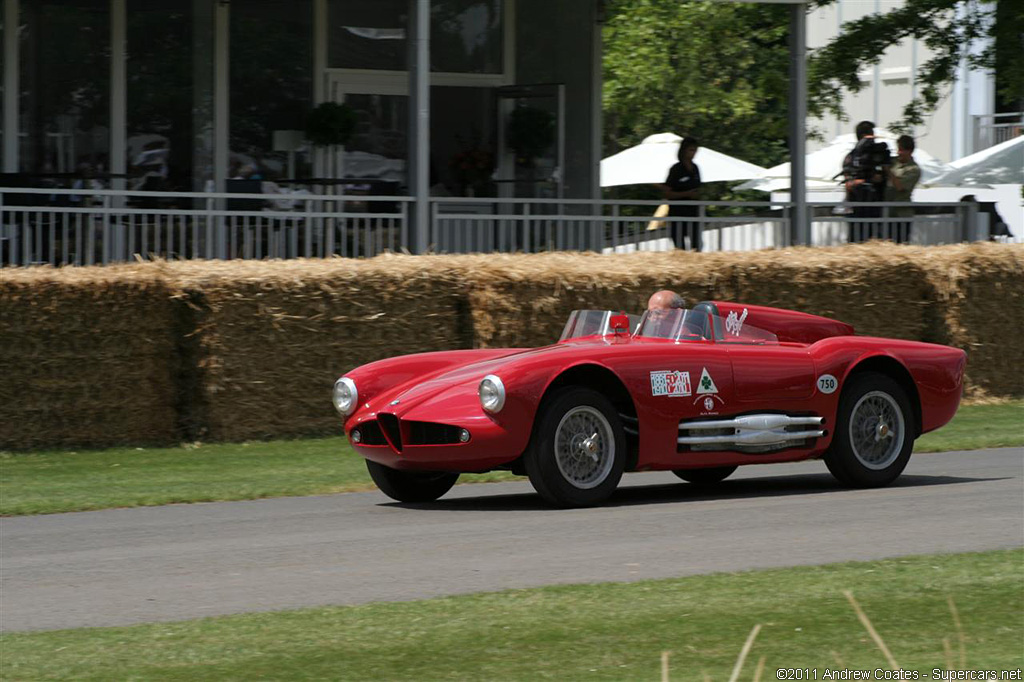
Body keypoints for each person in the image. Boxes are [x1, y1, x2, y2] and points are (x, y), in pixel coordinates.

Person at [842, 121, 890, 243]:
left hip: (875, 206)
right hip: (858, 206)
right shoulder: (852, 157)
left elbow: (886, 175)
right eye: (871, 135)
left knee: (875, 239)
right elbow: (848, 183)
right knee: (856, 240)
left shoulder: (877, 154)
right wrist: (863, 181)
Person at [659, 137, 702, 251]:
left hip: (693, 214)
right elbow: (667, 194)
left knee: (697, 246)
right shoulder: (676, 169)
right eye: (691, 150)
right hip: (678, 214)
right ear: (683, 150)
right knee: (679, 248)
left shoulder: (696, 168)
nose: (693, 154)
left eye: (695, 150)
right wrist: (686, 194)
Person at [885, 135, 921, 243]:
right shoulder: (893, 162)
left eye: (901, 150)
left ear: (909, 151)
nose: (898, 152)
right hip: (887, 214)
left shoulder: (914, 169)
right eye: (898, 149)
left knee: (901, 245)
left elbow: (900, 187)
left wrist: (887, 171)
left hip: (902, 215)